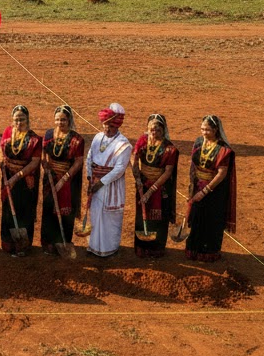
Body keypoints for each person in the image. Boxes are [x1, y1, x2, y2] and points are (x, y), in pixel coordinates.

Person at [184, 114, 236, 262]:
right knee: (196, 219)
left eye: (207, 130)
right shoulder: (199, 142)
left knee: (210, 222)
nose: (204, 132)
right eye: (202, 129)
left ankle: (208, 253)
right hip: (197, 186)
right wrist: (192, 185)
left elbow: (221, 174)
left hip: (214, 192)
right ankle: (193, 250)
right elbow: (193, 164)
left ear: (215, 130)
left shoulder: (223, 150)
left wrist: (204, 191)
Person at [84, 102, 133, 258]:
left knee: (109, 218)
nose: (107, 128)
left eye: (111, 126)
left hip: (110, 186)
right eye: (105, 125)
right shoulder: (98, 137)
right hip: (95, 182)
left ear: (117, 126)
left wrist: (100, 183)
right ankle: (93, 247)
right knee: (96, 214)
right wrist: (90, 177)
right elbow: (89, 157)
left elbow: (119, 170)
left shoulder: (124, 145)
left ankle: (109, 249)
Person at [130, 113, 179, 258]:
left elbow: (168, 172)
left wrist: (150, 191)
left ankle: (156, 250)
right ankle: (141, 248)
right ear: (147, 128)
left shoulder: (170, 149)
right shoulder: (142, 141)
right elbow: (134, 158)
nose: (154, 132)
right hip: (142, 184)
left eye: (158, 130)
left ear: (163, 130)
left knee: (158, 218)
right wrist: (137, 178)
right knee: (142, 216)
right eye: (152, 129)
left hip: (159, 188)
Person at [40, 105, 86, 255]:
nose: (60, 122)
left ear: (69, 120)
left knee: (65, 212)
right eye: (58, 119)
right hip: (50, 179)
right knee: (49, 209)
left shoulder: (77, 139)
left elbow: (79, 161)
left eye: (64, 120)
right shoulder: (48, 135)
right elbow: (44, 153)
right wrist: (45, 164)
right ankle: (48, 243)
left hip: (69, 181)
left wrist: (65, 178)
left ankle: (63, 241)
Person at [0, 105, 41, 255]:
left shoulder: (34, 139)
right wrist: (2, 162)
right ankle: (8, 242)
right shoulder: (8, 132)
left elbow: (35, 162)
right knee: (8, 210)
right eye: (16, 119)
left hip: (25, 181)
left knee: (24, 211)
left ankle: (23, 245)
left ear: (27, 119)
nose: (18, 122)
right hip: (7, 177)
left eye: (22, 119)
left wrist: (16, 177)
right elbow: (1, 150)